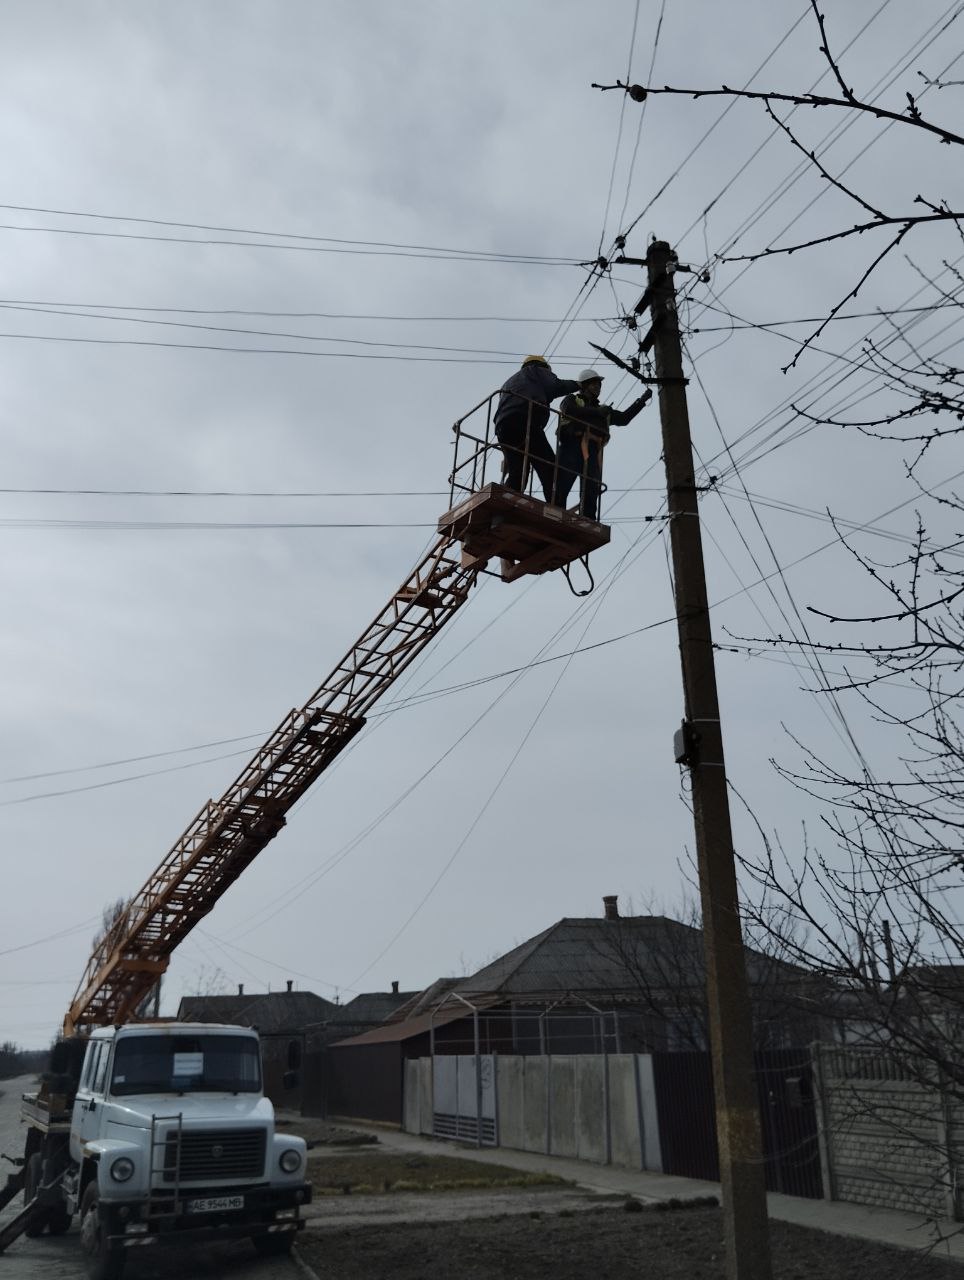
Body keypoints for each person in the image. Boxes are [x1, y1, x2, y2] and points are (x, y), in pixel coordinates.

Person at [554, 369, 650, 520]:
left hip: (592, 450)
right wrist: (597, 413)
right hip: (571, 446)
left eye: (599, 385)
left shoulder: (603, 410)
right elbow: (569, 410)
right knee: (562, 484)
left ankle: (588, 519)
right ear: (584, 385)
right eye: (594, 384)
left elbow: (624, 418)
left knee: (591, 488)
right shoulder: (572, 400)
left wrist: (641, 401)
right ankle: (555, 514)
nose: (598, 387)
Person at [493, 355, 582, 501]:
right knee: (549, 467)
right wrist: (578, 384)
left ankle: (506, 500)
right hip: (525, 420)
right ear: (544, 366)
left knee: (518, 471)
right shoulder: (536, 371)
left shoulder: (510, 381)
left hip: (503, 427)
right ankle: (555, 508)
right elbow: (556, 386)